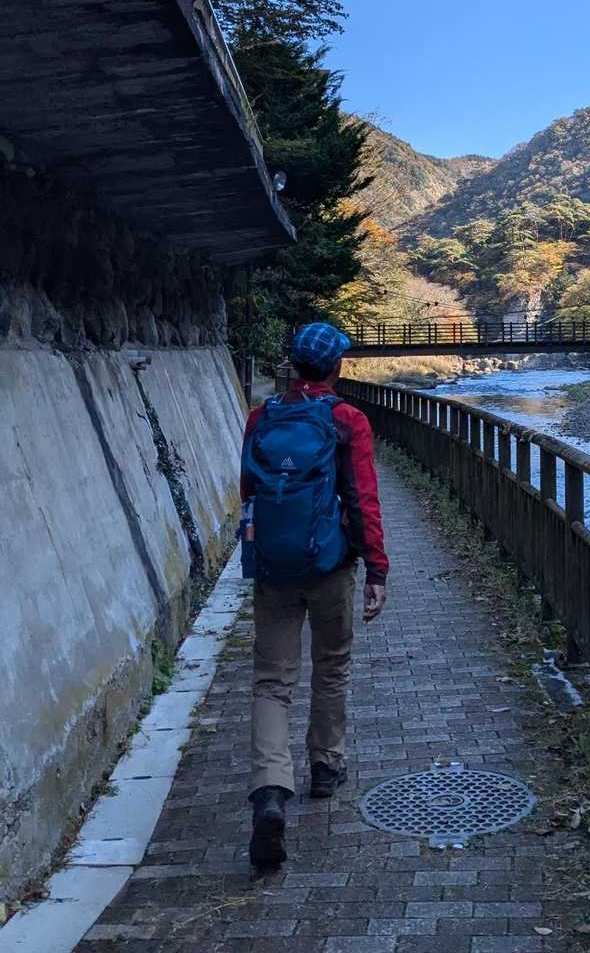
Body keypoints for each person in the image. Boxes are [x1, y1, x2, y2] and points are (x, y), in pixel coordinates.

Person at [243, 322, 389, 871]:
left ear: (293, 364)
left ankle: (270, 791)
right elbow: (363, 498)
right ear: (336, 367)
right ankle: (325, 765)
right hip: (330, 566)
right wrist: (376, 568)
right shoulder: (347, 419)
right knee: (332, 665)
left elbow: (248, 491)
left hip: (273, 567)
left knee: (271, 681)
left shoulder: (261, 418)